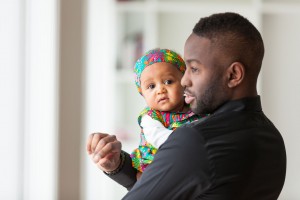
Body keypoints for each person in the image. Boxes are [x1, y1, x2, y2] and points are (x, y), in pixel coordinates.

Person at [86, 12, 286, 200]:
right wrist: (119, 167)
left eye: (194, 69)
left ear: (233, 75)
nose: (184, 81)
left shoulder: (196, 140)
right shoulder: (272, 139)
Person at [130, 48, 204, 177]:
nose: (160, 90)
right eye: (151, 86)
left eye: (168, 82)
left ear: (184, 82)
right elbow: (159, 138)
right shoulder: (150, 117)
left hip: (188, 162)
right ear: (142, 94)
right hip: (155, 167)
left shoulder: (194, 106)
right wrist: (190, 142)